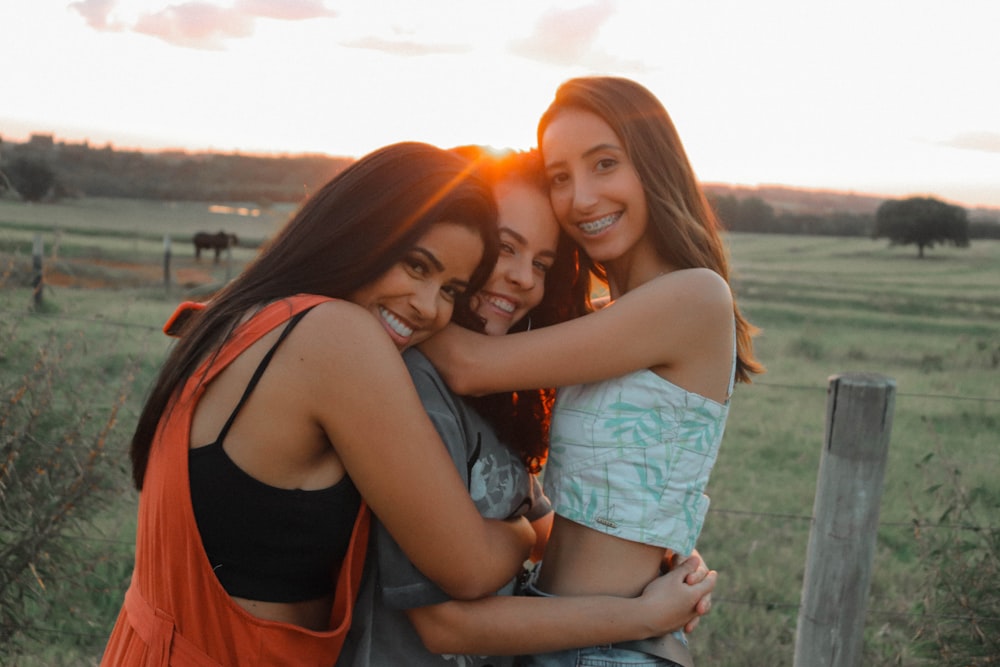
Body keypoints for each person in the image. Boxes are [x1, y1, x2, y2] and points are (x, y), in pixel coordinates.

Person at [100, 142, 542, 667]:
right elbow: (467, 565)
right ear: (360, 233)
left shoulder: (242, 316)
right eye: (416, 265)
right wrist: (522, 531)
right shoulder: (336, 336)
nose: (428, 307)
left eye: (451, 289)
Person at [421, 78, 765, 666]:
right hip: (558, 626)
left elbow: (470, 365)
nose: (580, 198)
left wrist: (374, 289)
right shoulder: (606, 322)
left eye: (604, 164)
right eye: (560, 177)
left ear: (654, 166)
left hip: (613, 649)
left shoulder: (693, 297)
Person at [340, 148, 716, 667]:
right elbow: (443, 622)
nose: (523, 278)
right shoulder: (415, 387)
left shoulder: (486, 398)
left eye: (542, 264)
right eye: (504, 248)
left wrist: (656, 553)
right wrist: (644, 616)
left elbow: (543, 529)